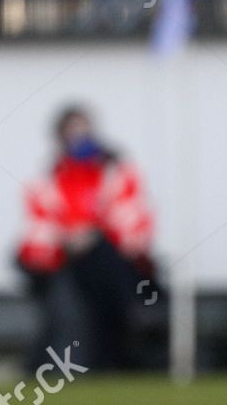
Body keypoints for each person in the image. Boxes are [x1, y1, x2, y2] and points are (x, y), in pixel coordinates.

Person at [17, 106, 158, 371]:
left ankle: (123, 336)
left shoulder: (115, 173)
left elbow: (132, 223)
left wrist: (94, 234)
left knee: (103, 264)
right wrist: (66, 240)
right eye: (72, 131)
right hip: (65, 263)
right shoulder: (48, 180)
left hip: (109, 260)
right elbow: (39, 230)